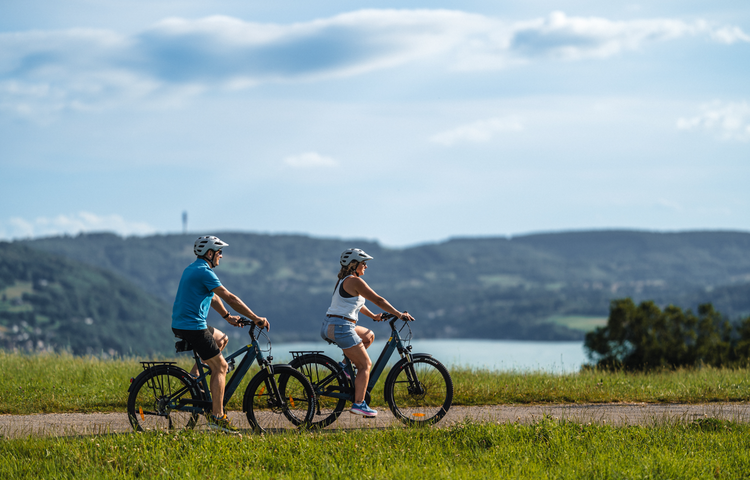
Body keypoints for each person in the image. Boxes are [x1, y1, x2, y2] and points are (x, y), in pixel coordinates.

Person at [172, 235, 270, 433]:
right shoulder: (204, 272)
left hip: (185, 324)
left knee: (222, 339)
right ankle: (217, 417)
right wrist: (256, 317)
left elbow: (213, 296)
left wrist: (227, 317)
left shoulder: (193, 268)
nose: (221, 256)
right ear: (209, 253)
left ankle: (193, 381)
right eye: (219, 252)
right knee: (221, 366)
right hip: (193, 326)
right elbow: (231, 298)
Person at [320, 248, 414, 417]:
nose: (366, 267)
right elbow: (378, 299)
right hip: (341, 327)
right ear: (353, 264)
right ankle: (359, 404)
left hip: (334, 325)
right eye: (363, 263)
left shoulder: (344, 280)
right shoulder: (354, 281)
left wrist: (373, 316)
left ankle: (345, 368)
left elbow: (356, 303)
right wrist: (399, 314)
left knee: (368, 336)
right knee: (365, 365)